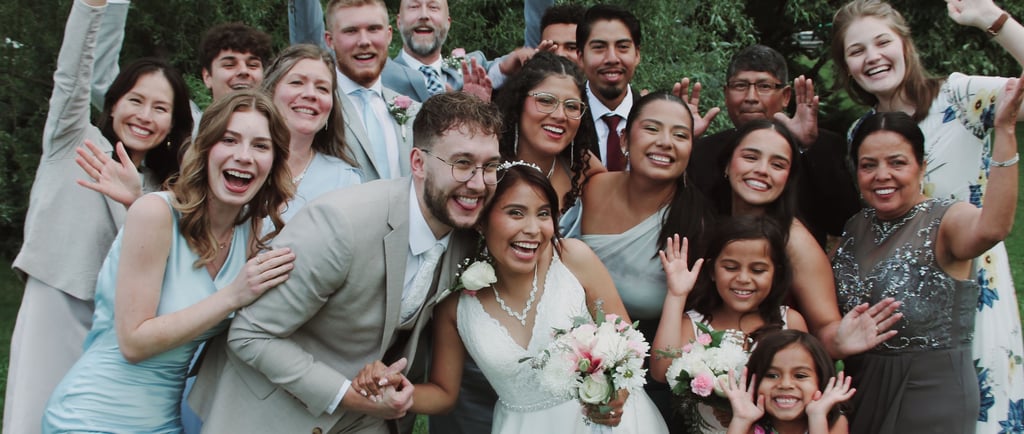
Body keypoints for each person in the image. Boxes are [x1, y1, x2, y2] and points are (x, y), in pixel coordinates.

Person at [188, 91, 503, 434]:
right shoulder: (342, 224)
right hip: (270, 412)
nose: (479, 182)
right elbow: (251, 335)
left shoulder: (468, 238)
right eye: (462, 164)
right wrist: (348, 396)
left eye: (490, 166)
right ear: (418, 163)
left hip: (367, 421)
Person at [41, 89, 295, 433]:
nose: (244, 156)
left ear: (274, 161)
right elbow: (133, 343)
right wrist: (233, 295)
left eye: (260, 146)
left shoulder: (250, 231)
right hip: (91, 417)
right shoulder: (154, 213)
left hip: (164, 423)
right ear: (205, 149)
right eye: (229, 139)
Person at [359, 163, 670, 434]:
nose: (532, 229)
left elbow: (628, 342)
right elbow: (444, 392)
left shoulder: (573, 259)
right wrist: (401, 390)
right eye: (515, 213)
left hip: (607, 425)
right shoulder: (456, 306)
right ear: (482, 221)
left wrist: (618, 393)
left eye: (543, 214)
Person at [831, 2, 1024, 430]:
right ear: (846, 66)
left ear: (905, 45)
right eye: (857, 50)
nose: (873, 56)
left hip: (973, 278)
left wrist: (993, 19)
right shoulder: (858, 132)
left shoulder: (958, 94)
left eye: (883, 42)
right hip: (902, 304)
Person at [4, 1, 193, 432]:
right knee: (32, 416)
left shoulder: (165, 189)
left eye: (160, 108)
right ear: (113, 105)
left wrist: (134, 202)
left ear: (173, 123)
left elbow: (164, 266)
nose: (145, 116)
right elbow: (72, 74)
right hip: (57, 298)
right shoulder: (75, 136)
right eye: (136, 101)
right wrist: (94, 7)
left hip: (118, 328)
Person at [708, 119, 898, 361]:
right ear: (727, 163)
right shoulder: (705, 222)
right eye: (750, 157)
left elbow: (825, 324)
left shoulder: (794, 239)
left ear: (788, 178)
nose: (762, 170)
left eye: (777, 164)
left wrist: (841, 339)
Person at [580, 92, 717, 424]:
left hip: (650, 383)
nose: (666, 142)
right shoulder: (591, 185)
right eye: (652, 129)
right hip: (570, 363)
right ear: (625, 138)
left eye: (680, 135)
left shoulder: (697, 224)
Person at [689, 45, 859, 245]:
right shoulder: (703, 151)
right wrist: (681, 141)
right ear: (726, 94)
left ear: (786, 96)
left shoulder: (820, 147)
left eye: (764, 86)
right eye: (740, 86)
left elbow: (844, 223)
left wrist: (806, 147)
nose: (751, 97)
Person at [652, 215, 809, 433]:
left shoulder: (789, 321)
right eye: (731, 267)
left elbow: (805, 386)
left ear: (777, 273)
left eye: (758, 270)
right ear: (712, 271)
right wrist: (676, 295)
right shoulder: (693, 324)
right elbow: (660, 372)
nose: (743, 278)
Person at [260, 43, 362, 226]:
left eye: (322, 88)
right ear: (271, 90)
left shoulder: (345, 180)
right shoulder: (242, 162)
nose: (310, 94)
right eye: (297, 82)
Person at [722, 330, 854, 434]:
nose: (785, 384)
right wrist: (741, 420)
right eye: (772, 375)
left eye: (800, 375)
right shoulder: (749, 423)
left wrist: (817, 417)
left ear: (820, 381)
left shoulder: (833, 421)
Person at [576, 4, 642, 171]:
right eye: (599, 47)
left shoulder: (654, 115)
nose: (612, 58)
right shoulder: (565, 117)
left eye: (622, 47)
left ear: (637, 55)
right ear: (581, 57)